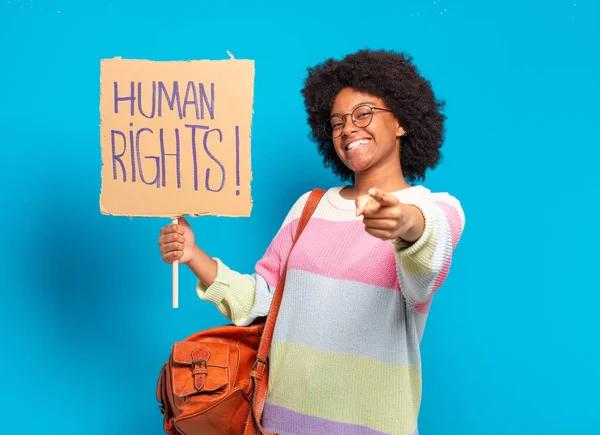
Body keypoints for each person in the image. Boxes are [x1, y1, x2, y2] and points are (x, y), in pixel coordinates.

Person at [158, 49, 465, 435]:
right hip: (280, 425)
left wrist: (405, 222)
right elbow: (261, 300)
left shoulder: (434, 208)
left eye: (364, 114)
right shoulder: (310, 206)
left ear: (401, 121)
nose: (349, 128)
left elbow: (427, 259)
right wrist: (192, 254)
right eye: (337, 123)